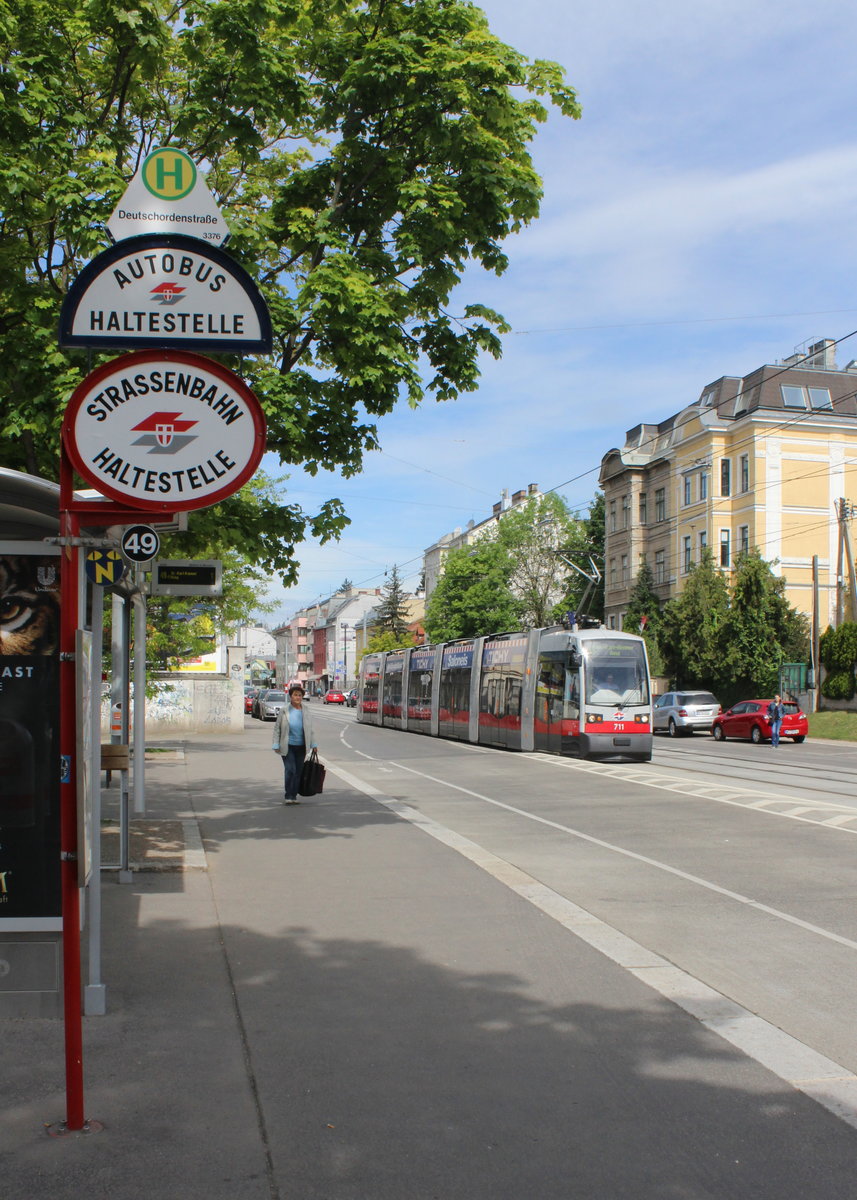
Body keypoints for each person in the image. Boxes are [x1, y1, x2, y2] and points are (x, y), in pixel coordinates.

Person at [272, 684, 318, 803]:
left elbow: (310, 729)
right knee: (290, 770)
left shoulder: (306, 710)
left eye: (300, 695)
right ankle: (288, 796)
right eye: (295, 695)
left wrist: (314, 745)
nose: (298, 697)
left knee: (298, 772)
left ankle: (294, 795)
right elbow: (277, 728)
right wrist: (276, 744)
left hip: (301, 746)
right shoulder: (284, 710)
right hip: (287, 745)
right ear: (290, 697)